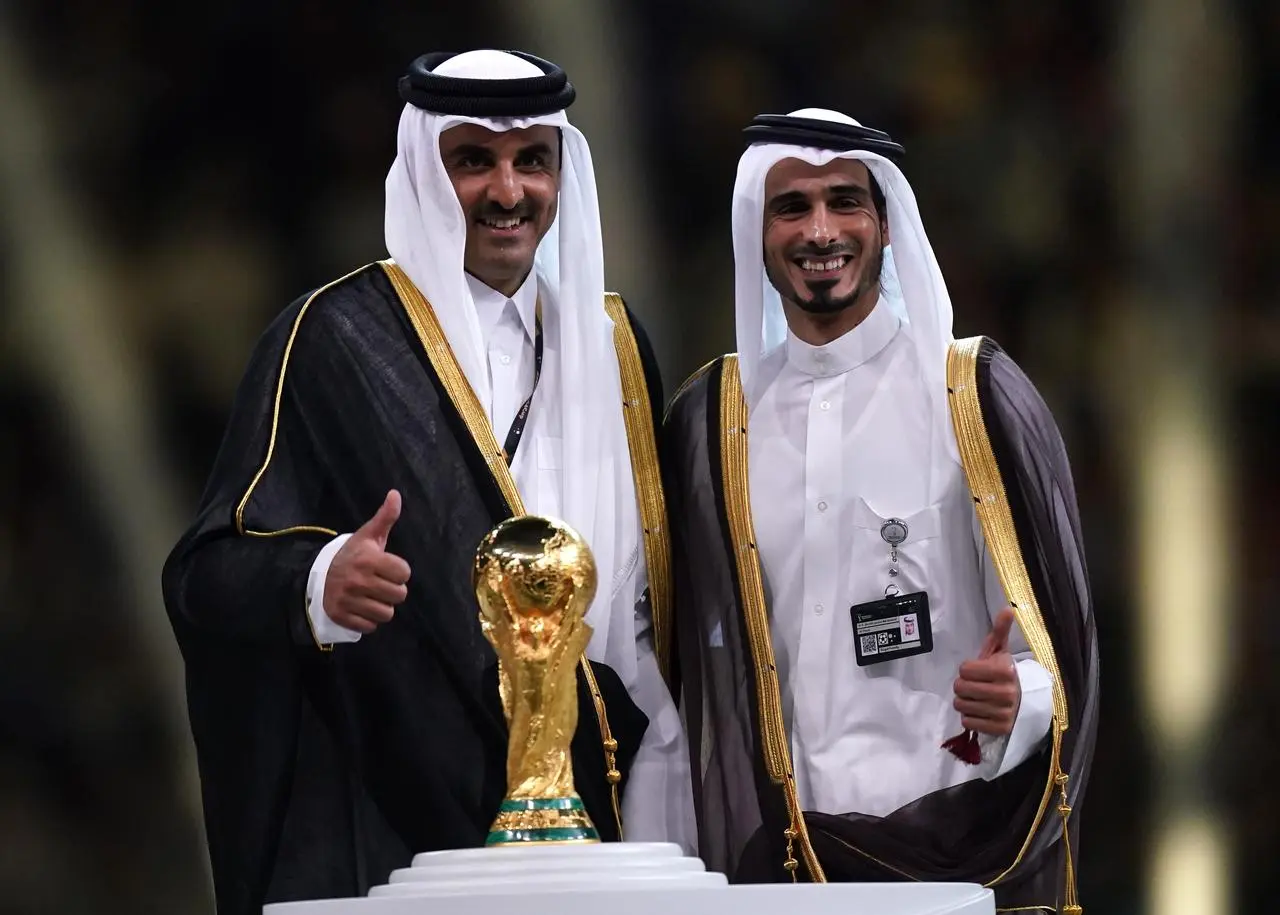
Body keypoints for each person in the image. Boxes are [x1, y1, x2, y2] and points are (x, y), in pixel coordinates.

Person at [162, 49, 693, 915]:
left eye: (532, 160)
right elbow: (205, 573)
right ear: (421, 170)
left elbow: (649, 602)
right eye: (473, 160)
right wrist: (319, 579)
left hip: (615, 814)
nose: (508, 191)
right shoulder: (335, 341)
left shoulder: (614, 342)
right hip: (407, 830)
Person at [663, 108, 1098, 911]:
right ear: (755, 233)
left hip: (956, 857)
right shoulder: (712, 423)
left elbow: (1058, 652)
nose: (820, 230)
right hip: (778, 864)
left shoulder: (972, 395)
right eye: (791, 206)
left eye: (844, 202)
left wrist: (1018, 701)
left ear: (887, 225)